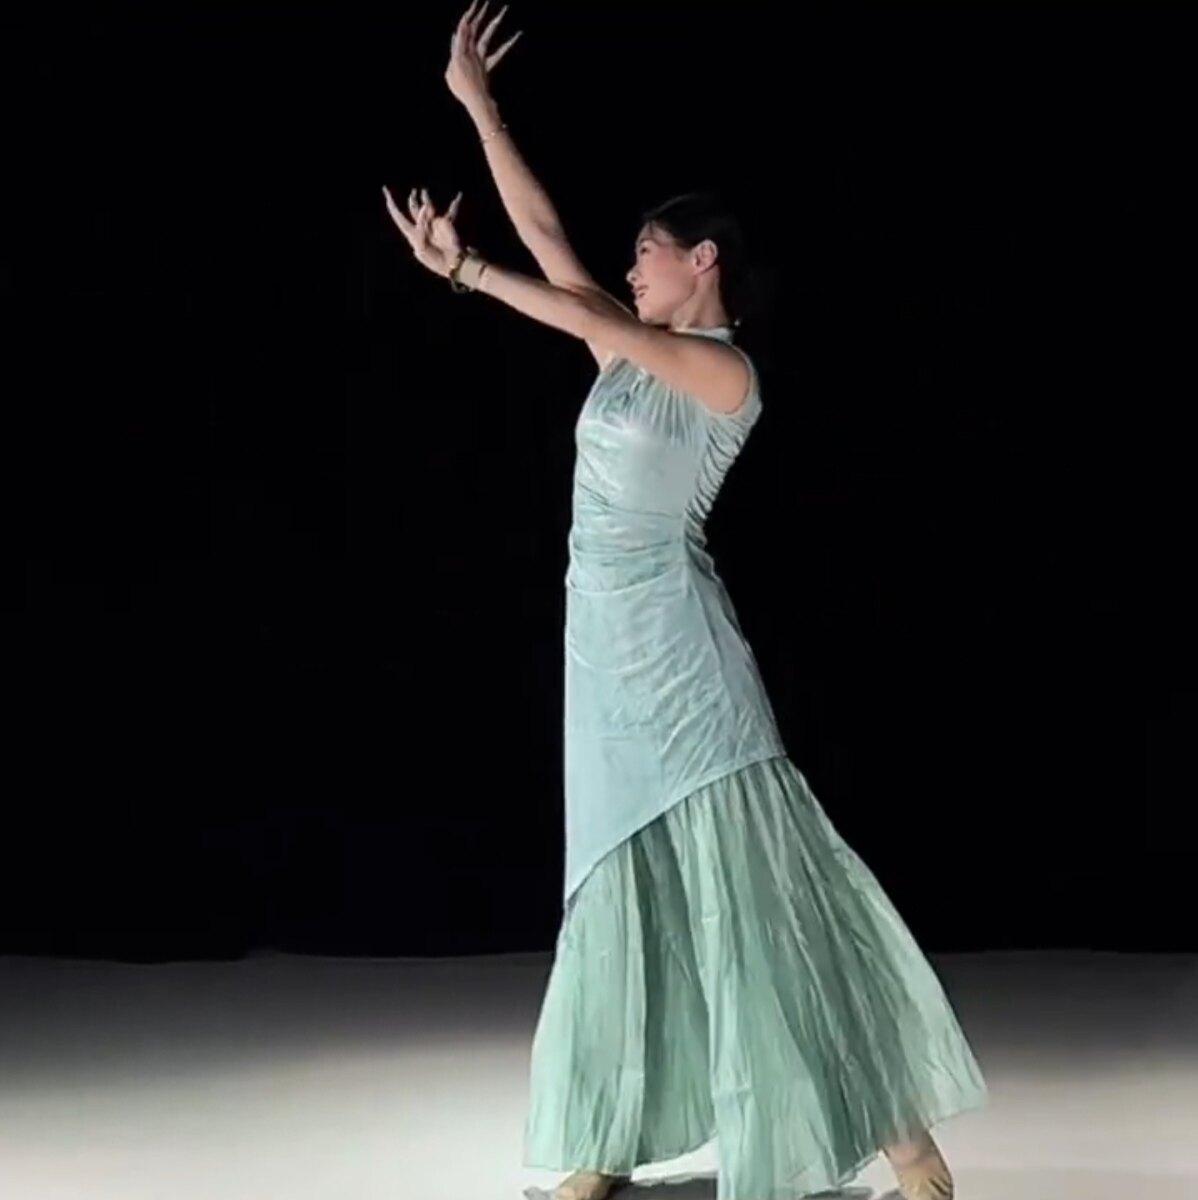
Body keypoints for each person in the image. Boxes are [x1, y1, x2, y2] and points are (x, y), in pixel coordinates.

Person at [383, 6, 988, 1199]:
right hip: (600, 650)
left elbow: (577, 305)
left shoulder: (721, 370)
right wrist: (477, 107)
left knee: (754, 895)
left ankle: (905, 1144)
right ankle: (605, 1142)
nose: (630, 269)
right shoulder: (629, 348)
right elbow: (555, 248)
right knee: (620, 885)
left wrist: (462, 271)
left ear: (701, 259)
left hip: (682, 656)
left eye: (648, 252)